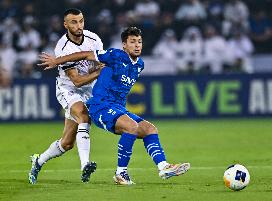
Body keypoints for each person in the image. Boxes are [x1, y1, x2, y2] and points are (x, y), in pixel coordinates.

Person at [39, 27, 190, 185]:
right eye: (132, 42)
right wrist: (57, 60)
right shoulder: (115, 55)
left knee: (150, 129)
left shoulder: (140, 65)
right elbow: (85, 54)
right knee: (131, 127)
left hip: (118, 108)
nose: (137, 45)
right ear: (124, 45)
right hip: (100, 106)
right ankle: (121, 173)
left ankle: (164, 167)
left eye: (139, 42)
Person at [28, 8, 104, 184]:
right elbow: (77, 81)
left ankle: (38, 161)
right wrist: (100, 72)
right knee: (84, 116)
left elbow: (100, 63)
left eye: (81, 21)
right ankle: (85, 164)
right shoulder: (62, 48)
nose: (79, 26)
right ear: (65, 24)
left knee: (67, 143)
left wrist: (101, 71)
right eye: (74, 22)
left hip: (89, 89)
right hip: (68, 89)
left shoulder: (94, 39)